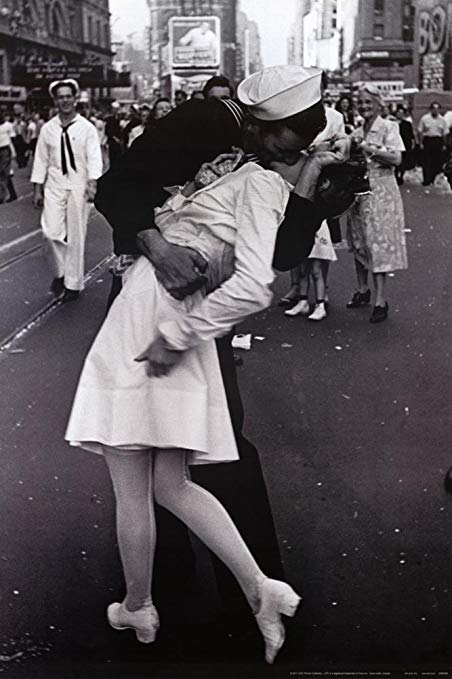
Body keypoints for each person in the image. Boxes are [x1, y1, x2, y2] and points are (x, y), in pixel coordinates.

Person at [65, 65, 349, 664]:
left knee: (166, 464)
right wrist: (160, 246)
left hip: (182, 314)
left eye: (302, 148)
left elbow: (281, 256)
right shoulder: (209, 121)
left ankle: (180, 598)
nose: (289, 154)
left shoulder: (275, 170)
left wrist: (311, 197)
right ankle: (190, 593)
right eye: (287, 145)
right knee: (172, 467)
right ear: (267, 126)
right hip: (165, 293)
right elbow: (119, 189)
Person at [31, 79, 103, 302]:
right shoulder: (48, 129)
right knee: (50, 233)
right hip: (54, 185)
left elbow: (94, 157)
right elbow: (41, 159)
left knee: (76, 235)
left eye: (68, 96)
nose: (64, 101)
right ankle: (60, 274)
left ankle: (73, 284)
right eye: (60, 97)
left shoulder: (87, 128)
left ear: (75, 98)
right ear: (55, 101)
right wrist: (37, 189)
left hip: (78, 186)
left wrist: (93, 183)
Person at [280, 71, 346, 309]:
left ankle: (321, 292)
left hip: (322, 187)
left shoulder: (334, 117)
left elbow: (341, 151)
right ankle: (297, 287)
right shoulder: (291, 115)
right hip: (293, 181)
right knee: (292, 233)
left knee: (321, 243)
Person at [346, 84, 407, 323]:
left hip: (382, 192)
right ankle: (363, 290)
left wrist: (366, 149)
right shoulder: (357, 130)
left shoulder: (389, 127)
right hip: (359, 192)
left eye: (368, 102)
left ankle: (381, 300)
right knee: (359, 242)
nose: (364, 107)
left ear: (379, 104)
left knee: (378, 244)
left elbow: (396, 158)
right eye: (360, 103)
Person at [418, 102, 448, 186]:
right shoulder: (425, 118)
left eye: (437, 108)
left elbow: (444, 133)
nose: (435, 110)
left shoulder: (442, 120)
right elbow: (420, 131)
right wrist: (421, 143)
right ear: (431, 109)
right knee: (427, 161)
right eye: (434, 108)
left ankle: (432, 178)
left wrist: (444, 145)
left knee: (436, 161)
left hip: (438, 141)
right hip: (428, 140)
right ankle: (426, 179)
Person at [395, 105, 415, 186]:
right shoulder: (393, 124)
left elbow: (411, 134)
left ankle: (401, 176)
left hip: (406, 144)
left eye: (402, 113)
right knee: (397, 161)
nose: (400, 114)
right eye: (399, 113)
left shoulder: (407, 124)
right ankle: (396, 175)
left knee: (404, 161)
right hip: (396, 145)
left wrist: (413, 142)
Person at [0, 111, 16, 204]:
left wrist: (13, 151)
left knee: (2, 173)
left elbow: (12, 139)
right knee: (5, 173)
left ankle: (1, 196)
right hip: (4, 150)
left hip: (5, 150)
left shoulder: (7, 126)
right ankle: (12, 193)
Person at [105, 102, 124, 167]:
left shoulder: (121, 118)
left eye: (117, 109)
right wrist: (115, 138)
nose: (116, 110)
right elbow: (107, 131)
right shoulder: (109, 119)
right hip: (112, 142)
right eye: (114, 109)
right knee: (113, 158)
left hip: (120, 142)